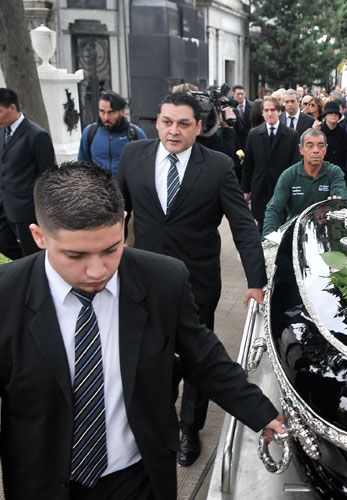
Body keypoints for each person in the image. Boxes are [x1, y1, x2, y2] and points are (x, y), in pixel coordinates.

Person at [0, 161, 284, 498]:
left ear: (123, 224)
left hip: (139, 480)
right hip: (42, 483)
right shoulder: (6, 295)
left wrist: (264, 414)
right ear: (39, 236)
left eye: (110, 249)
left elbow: (204, 358)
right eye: (76, 255)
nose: (97, 270)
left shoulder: (163, 280)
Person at [117, 92, 268, 467]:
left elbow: (243, 225)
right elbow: (117, 214)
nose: (173, 130)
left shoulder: (217, 166)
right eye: (167, 121)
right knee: (150, 354)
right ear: (158, 122)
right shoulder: (133, 156)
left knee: (197, 356)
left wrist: (256, 280)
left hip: (195, 282)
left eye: (184, 124)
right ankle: (158, 420)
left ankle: (190, 428)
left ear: (199, 127)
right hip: (141, 278)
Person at [0, 87, 56, 260]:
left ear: (13, 108)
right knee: (4, 244)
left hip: (27, 210)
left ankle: (34, 281)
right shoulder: (2, 132)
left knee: (33, 254)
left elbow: (47, 175)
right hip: (3, 207)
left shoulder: (36, 135)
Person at [262, 129, 347, 236]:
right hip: (296, 231)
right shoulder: (289, 175)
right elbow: (274, 209)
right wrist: (269, 239)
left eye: (321, 145)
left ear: (326, 149)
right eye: (310, 145)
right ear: (300, 149)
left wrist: (336, 203)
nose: (316, 150)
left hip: (326, 232)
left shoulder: (334, 172)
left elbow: (341, 196)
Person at [243, 96, 301, 229]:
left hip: (282, 188)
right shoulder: (253, 134)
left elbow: (295, 165)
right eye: (266, 110)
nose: (269, 113)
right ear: (262, 112)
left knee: (281, 226)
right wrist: (245, 190)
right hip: (260, 189)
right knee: (262, 225)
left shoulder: (291, 135)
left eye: (273, 110)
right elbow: (248, 164)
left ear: (279, 111)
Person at [77, 90, 146, 177]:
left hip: (125, 188)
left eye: (111, 112)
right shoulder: (90, 132)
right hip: (98, 188)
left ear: (121, 112)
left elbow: (145, 167)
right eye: (102, 111)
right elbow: (82, 165)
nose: (106, 117)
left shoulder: (135, 133)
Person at [318, 100, 347, 169]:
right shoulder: (319, 131)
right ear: (325, 116)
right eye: (330, 113)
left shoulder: (343, 131)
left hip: (338, 170)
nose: (334, 115)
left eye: (336, 113)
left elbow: (344, 153)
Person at [232, 85, 253, 153]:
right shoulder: (229, 107)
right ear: (233, 94)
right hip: (235, 143)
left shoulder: (252, 106)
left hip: (249, 141)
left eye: (242, 94)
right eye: (238, 94)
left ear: (245, 94)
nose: (240, 96)